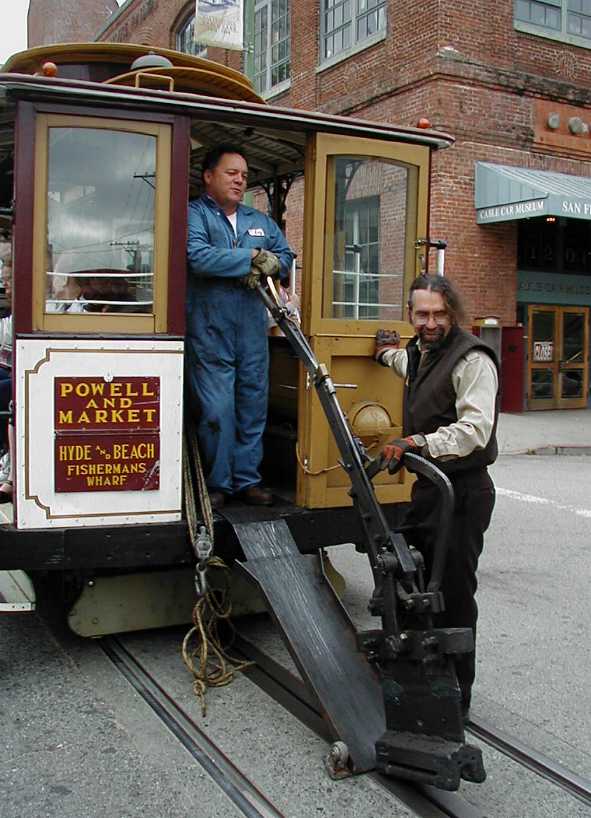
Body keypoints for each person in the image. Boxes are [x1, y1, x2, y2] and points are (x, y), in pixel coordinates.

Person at [374, 274, 499, 718]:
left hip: (462, 491)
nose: (430, 322)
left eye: (439, 314)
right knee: (413, 582)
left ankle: (456, 701)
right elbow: (413, 371)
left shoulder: (473, 359)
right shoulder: (420, 352)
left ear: (453, 313)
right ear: (411, 315)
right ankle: (418, 681)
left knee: (454, 595)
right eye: (422, 314)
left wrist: (418, 443)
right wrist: (385, 353)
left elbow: (475, 430)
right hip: (430, 489)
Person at [186, 145, 295, 509]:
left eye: (244, 176)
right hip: (209, 330)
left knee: (252, 406)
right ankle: (218, 484)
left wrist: (272, 263)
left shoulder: (260, 221)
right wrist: (250, 257)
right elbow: (198, 257)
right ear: (208, 175)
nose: (239, 180)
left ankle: (248, 481)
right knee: (217, 411)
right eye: (232, 173)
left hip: (251, 330)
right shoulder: (194, 214)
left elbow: (285, 257)